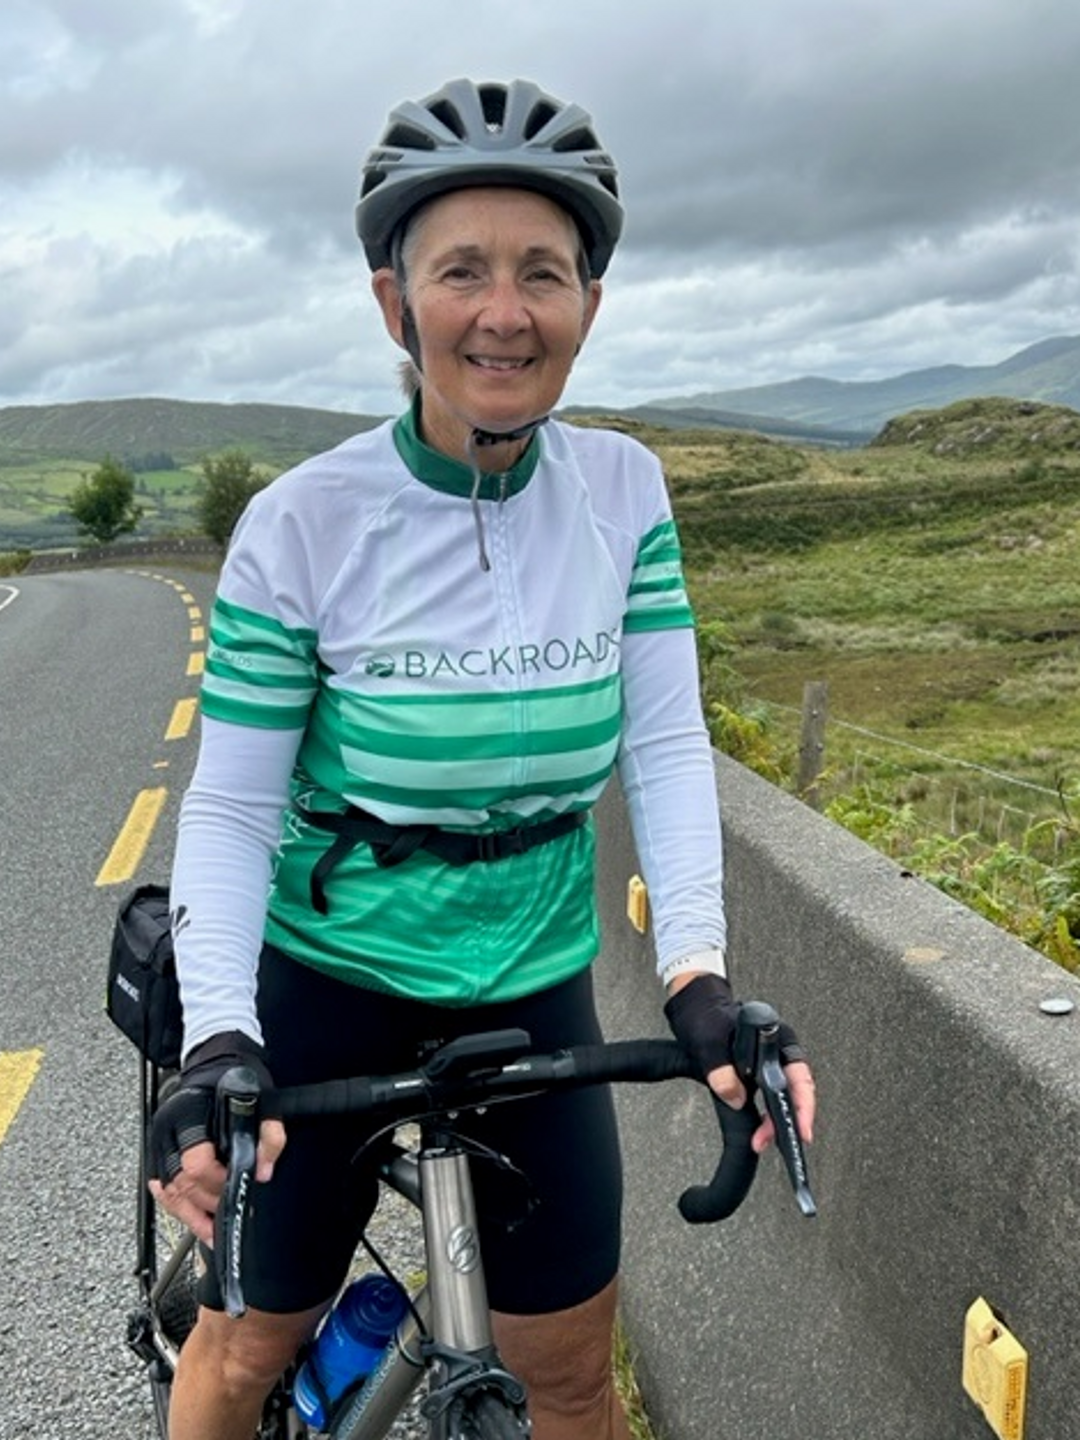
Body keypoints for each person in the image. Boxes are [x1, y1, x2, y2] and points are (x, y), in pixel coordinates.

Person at [149, 77, 816, 1440]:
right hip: (329, 982)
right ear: (396, 303)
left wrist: (698, 975)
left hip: (530, 984)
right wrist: (219, 1037)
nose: (503, 311)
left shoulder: (624, 493)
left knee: (570, 1381)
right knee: (239, 1355)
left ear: (588, 302)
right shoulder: (303, 522)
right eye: (462, 271)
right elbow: (229, 805)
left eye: (544, 273)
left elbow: (670, 745)